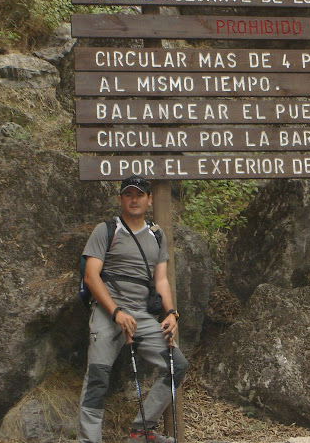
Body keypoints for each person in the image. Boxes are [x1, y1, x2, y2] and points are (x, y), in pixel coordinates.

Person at [79, 175, 188, 443]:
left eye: (139, 195)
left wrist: (171, 313)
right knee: (97, 378)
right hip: (108, 313)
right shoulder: (106, 230)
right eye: (128, 194)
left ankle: (141, 431)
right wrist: (116, 312)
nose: (134, 199)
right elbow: (91, 276)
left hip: (142, 315)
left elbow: (160, 279)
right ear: (120, 200)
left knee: (177, 365)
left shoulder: (156, 235)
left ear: (149, 200)